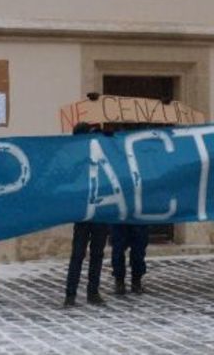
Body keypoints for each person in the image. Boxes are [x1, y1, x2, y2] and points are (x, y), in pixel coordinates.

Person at [63, 123, 110, 307]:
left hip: (100, 209)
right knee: (78, 254)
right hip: (84, 211)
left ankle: (92, 291)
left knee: (97, 253)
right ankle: (71, 293)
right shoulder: (74, 157)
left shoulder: (100, 152)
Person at [111, 223, 149, 295]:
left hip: (138, 219)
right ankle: (119, 281)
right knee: (118, 249)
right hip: (120, 219)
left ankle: (136, 281)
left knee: (139, 249)